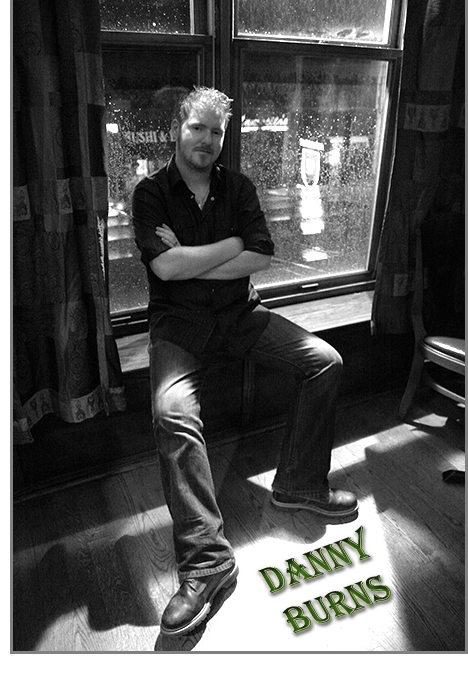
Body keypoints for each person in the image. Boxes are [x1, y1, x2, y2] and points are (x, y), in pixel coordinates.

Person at [131, 86, 358, 637]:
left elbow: (260, 254)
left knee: (325, 361)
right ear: (177, 129)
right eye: (197, 128)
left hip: (240, 315)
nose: (206, 140)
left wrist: (189, 258)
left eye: (216, 132)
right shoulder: (150, 193)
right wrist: (228, 247)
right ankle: (207, 561)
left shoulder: (239, 187)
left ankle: (299, 483)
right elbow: (165, 271)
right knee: (172, 414)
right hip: (180, 326)